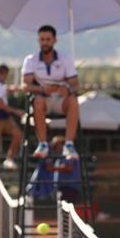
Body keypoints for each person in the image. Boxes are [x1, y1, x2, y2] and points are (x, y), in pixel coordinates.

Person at [21, 25, 80, 160]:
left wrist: (67, 89)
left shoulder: (66, 58)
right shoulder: (30, 60)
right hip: (43, 100)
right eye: (42, 39)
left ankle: (69, 144)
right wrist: (42, 89)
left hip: (61, 100)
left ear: (55, 41)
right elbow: (25, 85)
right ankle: (43, 144)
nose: (45, 42)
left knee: (73, 100)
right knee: (38, 101)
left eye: (48, 39)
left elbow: (76, 84)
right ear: (38, 41)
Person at [0, 64, 24, 175]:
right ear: (4, 74)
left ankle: (9, 159)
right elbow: (1, 105)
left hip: (4, 117)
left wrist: (9, 90)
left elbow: (2, 93)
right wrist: (17, 112)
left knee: (18, 134)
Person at [26, 136, 81, 203]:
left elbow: (69, 168)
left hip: (70, 188)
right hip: (62, 188)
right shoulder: (60, 157)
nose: (54, 148)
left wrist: (52, 169)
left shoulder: (70, 154)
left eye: (55, 146)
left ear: (61, 144)